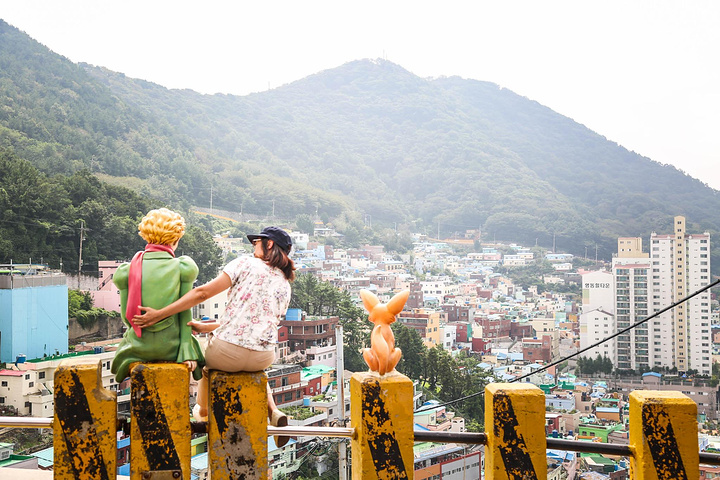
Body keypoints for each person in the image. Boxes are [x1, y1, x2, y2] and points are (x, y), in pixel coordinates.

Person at [133, 226, 295, 446]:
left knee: (207, 368)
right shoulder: (285, 283)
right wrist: (207, 327)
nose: (253, 245)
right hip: (263, 356)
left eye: (256, 241)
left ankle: (202, 410)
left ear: (268, 244)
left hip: (227, 354)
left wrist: (159, 315)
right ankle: (274, 412)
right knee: (257, 372)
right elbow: (256, 322)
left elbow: (202, 293)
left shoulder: (245, 263)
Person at [111, 208, 205, 382]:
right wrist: (186, 349)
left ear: (146, 235)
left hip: (138, 348)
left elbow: (127, 318)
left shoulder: (127, 270)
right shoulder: (183, 267)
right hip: (173, 348)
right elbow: (185, 312)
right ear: (176, 239)